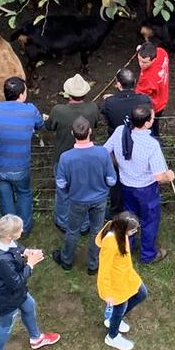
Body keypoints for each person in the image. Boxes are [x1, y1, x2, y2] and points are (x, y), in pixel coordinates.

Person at [0, 214, 60, 350]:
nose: (23, 230)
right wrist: (30, 264)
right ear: (10, 234)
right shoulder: (1, 259)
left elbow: (15, 247)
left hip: (16, 293)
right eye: (20, 229)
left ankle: (36, 338)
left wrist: (25, 251)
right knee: (6, 324)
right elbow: (16, 282)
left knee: (29, 306)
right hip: (4, 298)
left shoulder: (1, 237)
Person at [104, 104, 175, 264]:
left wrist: (117, 164)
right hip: (146, 189)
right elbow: (158, 177)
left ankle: (126, 250)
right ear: (147, 123)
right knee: (149, 220)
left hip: (126, 185)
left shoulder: (119, 131)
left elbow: (104, 151)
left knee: (129, 217)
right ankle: (148, 255)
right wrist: (169, 176)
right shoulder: (151, 144)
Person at [52, 117, 117, 272]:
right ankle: (93, 265)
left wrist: (69, 192)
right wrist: (104, 187)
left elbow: (60, 183)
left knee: (72, 230)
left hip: (77, 200)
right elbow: (112, 179)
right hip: (100, 199)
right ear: (90, 131)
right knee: (96, 231)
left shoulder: (66, 157)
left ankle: (66, 260)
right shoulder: (102, 153)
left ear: (72, 133)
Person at [0, 76, 45, 236]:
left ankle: (9, 231)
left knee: (5, 197)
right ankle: (24, 229)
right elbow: (40, 125)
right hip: (21, 166)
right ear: (21, 94)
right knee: (24, 193)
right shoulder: (30, 110)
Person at [45, 74, 100, 233]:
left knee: (62, 191)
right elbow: (96, 123)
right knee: (85, 191)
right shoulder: (92, 108)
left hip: (63, 159)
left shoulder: (58, 110)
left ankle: (63, 222)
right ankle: (84, 225)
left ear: (68, 93)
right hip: (86, 158)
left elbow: (49, 126)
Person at [100, 68, 153, 216]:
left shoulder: (109, 103)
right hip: (140, 144)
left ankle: (117, 210)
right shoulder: (144, 100)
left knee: (117, 178)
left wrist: (108, 99)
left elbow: (103, 110)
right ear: (134, 83)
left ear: (118, 84)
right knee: (141, 175)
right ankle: (141, 208)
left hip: (117, 146)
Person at [97, 212, 148, 350]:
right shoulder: (109, 243)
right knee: (120, 307)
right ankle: (112, 337)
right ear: (123, 229)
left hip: (127, 275)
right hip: (116, 284)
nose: (135, 232)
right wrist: (107, 293)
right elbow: (103, 271)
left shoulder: (120, 233)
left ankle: (113, 319)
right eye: (133, 230)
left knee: (142, 294)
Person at [135, 42, 170, 134]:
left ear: (153, 60)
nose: (141, 64)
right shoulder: (162, 52)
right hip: (162, 97)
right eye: (139, 60)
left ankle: (154, 141)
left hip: (153, 106)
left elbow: (138, 96)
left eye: (145, 62)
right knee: (155, 123)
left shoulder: (148, 78)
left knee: (148, 127)